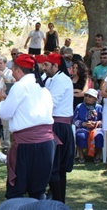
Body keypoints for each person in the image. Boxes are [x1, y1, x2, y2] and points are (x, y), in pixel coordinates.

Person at [0, 54, 56, 200]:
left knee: (16, 190)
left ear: (17, 70)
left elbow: (5, 113)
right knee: (38, 189)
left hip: (26, 144)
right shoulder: (43, 89)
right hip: (46, 143)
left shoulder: (19, 86)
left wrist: (1, 100)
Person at [37, 53, 74, 203]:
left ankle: (59, 201)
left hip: (59, 126)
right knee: (53, 167)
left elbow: (50, 103)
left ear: (56, 66)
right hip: (54, 124)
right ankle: (56, 198)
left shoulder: (62, 80)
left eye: (46, 65)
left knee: (56, 168)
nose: (44, 68)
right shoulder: (51, 79)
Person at [73, 89, 104, 163]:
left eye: (90, 96)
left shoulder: (99, 107)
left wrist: (96, 123)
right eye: (86, 95)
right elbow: (74, 120)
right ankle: (81, 155)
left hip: (96, 128)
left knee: (99, 136)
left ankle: (98, 154)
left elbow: (104, 120)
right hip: (83, 127)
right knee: (81, 136)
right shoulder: (79, 106)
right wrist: (84, 124)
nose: (87, 98)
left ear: (95, 99)